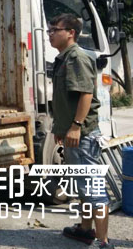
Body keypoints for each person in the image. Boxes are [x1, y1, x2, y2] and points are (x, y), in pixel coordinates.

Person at [48, 13, 113, 249]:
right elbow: (65, 99)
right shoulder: (64, 58)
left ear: (71, 33)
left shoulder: (77, 58)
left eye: (55, 30)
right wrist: (60, 127)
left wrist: (75, 126)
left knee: (93, 188)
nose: (50, 34)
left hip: (83, 135)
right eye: (50, 30)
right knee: (83, 185)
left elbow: (86, 94)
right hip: (72, 133)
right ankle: (86, 230)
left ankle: (103, 242)